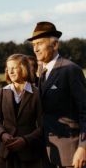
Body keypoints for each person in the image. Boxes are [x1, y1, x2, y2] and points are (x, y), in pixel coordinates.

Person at [27, 21, 86, 168]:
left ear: (55, 45)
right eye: (33, 45)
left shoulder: (70, 70)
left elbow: (85, 111)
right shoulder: (41, 73)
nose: (35, 49)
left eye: (39, 43)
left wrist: (83, 147)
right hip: (48, 154)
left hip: (71, 155)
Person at [0, 54, 43, 168]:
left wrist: (25, 140)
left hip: (29, 154)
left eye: (14, 67)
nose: (11, 71)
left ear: (24, 68)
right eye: (8, 68)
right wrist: (2, 134)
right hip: (6, 153)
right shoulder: (1, 93)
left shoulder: (37, 94)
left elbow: (43, 126)